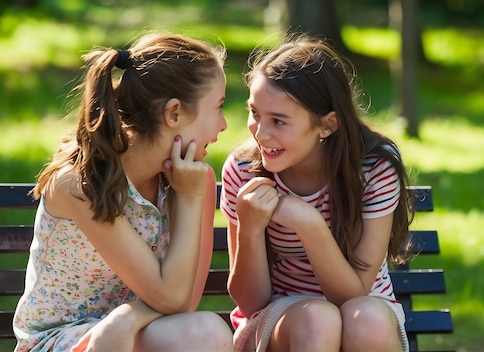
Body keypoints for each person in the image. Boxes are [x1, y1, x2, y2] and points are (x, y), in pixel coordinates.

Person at [12, 32, 233, 352]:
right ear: (174, 114)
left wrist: (123, 320)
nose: (224, 125)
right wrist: (117, 326)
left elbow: (181, 301)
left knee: (205, 332)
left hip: (134, 330)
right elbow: (170, 297)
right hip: (60, 340)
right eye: (219, 107)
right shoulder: (80, 184)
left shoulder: (192, 182)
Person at [220, 33, 416, 352]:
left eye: (279, 121)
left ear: (327, 125)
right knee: (319, 320)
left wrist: (309, 225)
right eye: (255, 113)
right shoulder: (244, 172)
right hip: (281, 313)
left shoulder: (372, 170)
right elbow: (249, 301)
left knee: (366, 320)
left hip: (365, 305)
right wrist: (251, 228)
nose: (260, 132)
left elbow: (353, 294)